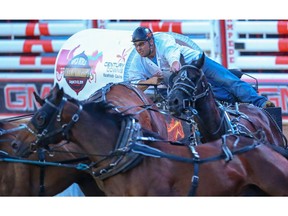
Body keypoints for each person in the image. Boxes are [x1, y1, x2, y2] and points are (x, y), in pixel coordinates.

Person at [125, 26, 275, 108]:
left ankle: (260, 103)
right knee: (209, 94)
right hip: (181, 79)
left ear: (151, 42)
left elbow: (172, 54)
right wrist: (152, 80)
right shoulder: (138, 61)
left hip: (196, 62)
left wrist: (175, 65)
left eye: (141, 44)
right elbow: (135, 85)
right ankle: (238, 102)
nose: (139, 49)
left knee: (227, 79)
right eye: (136, 45)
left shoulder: (162, 40)